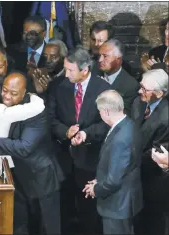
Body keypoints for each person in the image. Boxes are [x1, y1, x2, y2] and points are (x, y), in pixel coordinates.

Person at [0, 72, 64, 235]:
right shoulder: (4, 106)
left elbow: (25, 147)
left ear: (24, 93)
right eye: (5, 90)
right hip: (19, 176)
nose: (7, 97)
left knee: (48, 226)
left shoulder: (36, 113)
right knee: (25, 223)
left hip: (41, 176)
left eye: (13, 93)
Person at [47, 46, 111, 235]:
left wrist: (86, 134)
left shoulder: (103, 89)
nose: (66, 74)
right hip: (63, 159)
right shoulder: (59, 86)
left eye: (70, 70)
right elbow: (50, 118)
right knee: (63, 207)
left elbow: (107, 123)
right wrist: (65, 131)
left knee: (88, 211)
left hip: (90, 159)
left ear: (85, 70)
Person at [83, 90, 143, 235]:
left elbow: (114, 181)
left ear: (106, 112)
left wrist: (95, 189)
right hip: (123, 200)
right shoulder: (128, 123)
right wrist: (98, 180)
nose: (100, 115)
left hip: (118, 205)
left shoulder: (121, 139)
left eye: (100, 111)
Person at [131, 69, 169, 235]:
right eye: (141, 86)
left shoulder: (166, 117)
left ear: (160, 93)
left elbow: (156, 152)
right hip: (134, 177)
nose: (140, 91)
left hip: (152, 181)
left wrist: (128, 158)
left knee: (151, 224)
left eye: (145, 89)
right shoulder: (138, 102)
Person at [98, 39, 139, 116]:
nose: (100, 60)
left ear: (118, 59)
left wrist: (106, 91)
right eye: (99, 55)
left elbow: (122, 116)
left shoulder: (131, 85)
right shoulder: (93, 74)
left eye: (105, 56)